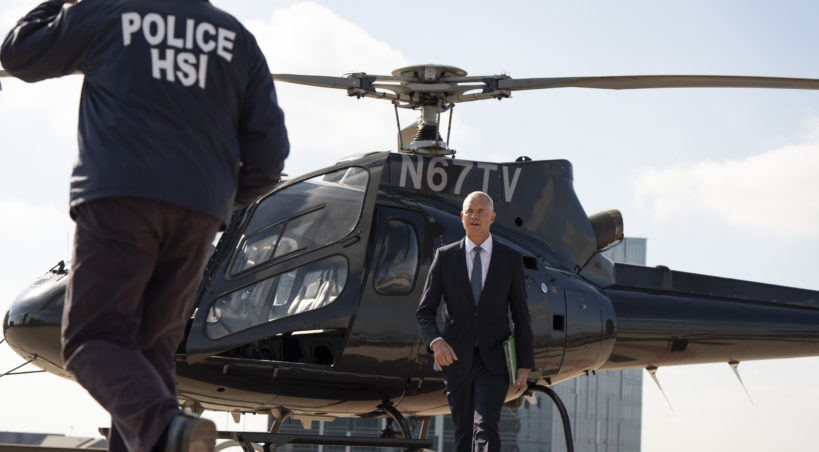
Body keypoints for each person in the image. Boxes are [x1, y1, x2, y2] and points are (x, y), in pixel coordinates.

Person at [1, 1, 289, 451]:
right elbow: (269, 156)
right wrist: (217, 202)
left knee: (92, 338)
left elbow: (20, 54)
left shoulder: (112, 13)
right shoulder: (236, 38)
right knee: (149, 353)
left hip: (121, 198)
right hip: (199, 212)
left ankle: (166, 424)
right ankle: (164, 431)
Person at [416, 191, 534, 452]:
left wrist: (524, 364)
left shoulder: (510, 259)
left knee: (486, 426)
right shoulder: (445, 257)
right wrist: (436, 342)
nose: (474, 216)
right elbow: (424, 312)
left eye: (481, 212)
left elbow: (521, 315)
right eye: (469, 211)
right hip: (456, 360)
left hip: (495, 362)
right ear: (462, 217)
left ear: (492, 217)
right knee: (463, 433)